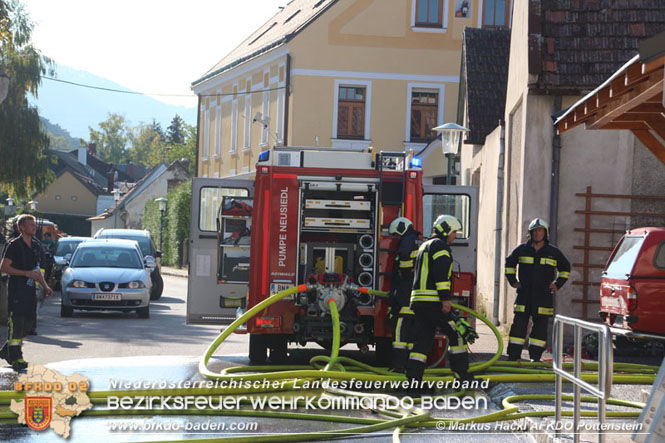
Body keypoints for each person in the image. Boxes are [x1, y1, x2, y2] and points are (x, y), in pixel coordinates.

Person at [406, 215, 478, 388]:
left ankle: (413, 382)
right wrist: (445, 300)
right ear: (446, 230)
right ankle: (463, 377)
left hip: (419, 301)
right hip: (433, 302)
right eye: (454, 232)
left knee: (423, 341)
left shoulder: (425, 245)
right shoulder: (441, 247)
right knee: (457, 332)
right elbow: (441, 275)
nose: (454, 236)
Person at [504, 218, 570, 362]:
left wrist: (557, 284)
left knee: (540, 329)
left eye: (540, 230)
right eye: (535, 231)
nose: (537, 233)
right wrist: (513, 281)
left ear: (545, 233)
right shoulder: (522, 250)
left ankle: (535, 357)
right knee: (518, 327)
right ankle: (513, 356)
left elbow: (565, 269)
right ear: (530, 233)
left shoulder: (553, 252)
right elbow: (509, 263)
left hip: (543, 296)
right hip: (524, 295)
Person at [0, 214, 53, 371]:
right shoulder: (14, 245)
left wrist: (45, 286)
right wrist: (25, 273)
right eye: (30, 225)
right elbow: (4, 267)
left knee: (29, 324)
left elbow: (37, 271)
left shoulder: (36, 245)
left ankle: (6, 351)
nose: (33, 227)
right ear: (21, 228)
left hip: (31, 292)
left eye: (34, 224)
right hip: (17, 291)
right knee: (16, 325)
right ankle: (16, 358)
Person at [387, 217, 421, 372]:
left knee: (400, 334)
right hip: (417, 299)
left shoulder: (407, 242)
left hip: (406, 296)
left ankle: (399, 367)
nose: (397, 238)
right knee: (413, 336)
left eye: (397, 235)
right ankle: (411, 367)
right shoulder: (418, 241)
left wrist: (403, 271)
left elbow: (405, 264)